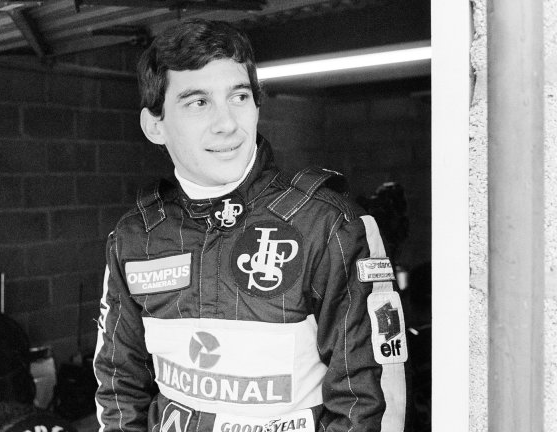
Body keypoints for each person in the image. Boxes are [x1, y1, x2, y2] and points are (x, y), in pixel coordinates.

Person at [93, 19, 408, 432]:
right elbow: (119, 386)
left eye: (239, 97)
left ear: (257, 106)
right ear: (155, 125)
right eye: (198, 102)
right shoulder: (135, 238)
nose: (226, 123)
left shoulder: (328, 227)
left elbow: (366, 404)